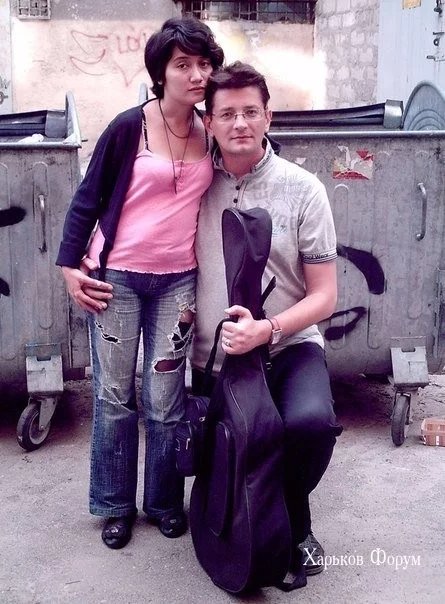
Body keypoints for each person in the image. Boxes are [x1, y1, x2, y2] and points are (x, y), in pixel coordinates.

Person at [56, 17, 224, 550]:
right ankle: (114, 505)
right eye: (183, 65)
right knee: (114, 396)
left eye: (204, 64)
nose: (197, 75)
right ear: (160, 72)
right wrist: (70, 267)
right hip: (118, 280)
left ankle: (164, 502)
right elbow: (87, 197)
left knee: (166, 397)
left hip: (178, 283)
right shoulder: (130, 127)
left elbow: (256, 153)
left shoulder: (212, 130)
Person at [190, 62, 343, 583]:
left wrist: (270, 329)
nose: (240, 123)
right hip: (218, 354)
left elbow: (325, 295)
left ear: (268, 117)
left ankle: (292, 523)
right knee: (235, 444)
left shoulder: (303, 190)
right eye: (227, 113)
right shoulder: (193, 187)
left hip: (289, 345)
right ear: (208, 122)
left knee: (309, 424)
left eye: (251, 112)